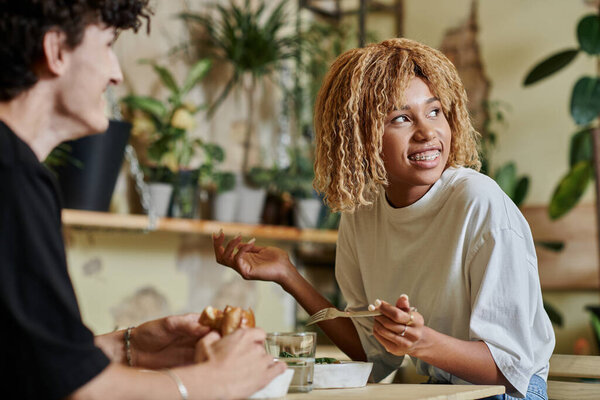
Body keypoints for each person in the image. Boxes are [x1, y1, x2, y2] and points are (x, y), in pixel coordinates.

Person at [213, 38, 555, 399]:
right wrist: (288, 276)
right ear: (361, 137)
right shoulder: (362, 215)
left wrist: (422, 342)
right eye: (402, 118)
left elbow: (511, 368)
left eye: (434, 111)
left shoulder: (478, 202)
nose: (427, 132)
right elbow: (372, 355)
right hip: (442, 391)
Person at [0, 1, 285, 399]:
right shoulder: (12, 178)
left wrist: (128, 347)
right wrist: (214, 382)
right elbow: (78, 392)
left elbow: (25, 365)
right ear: (56, 51)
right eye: (108, 45)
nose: (116, 74)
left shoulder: (19, 173)